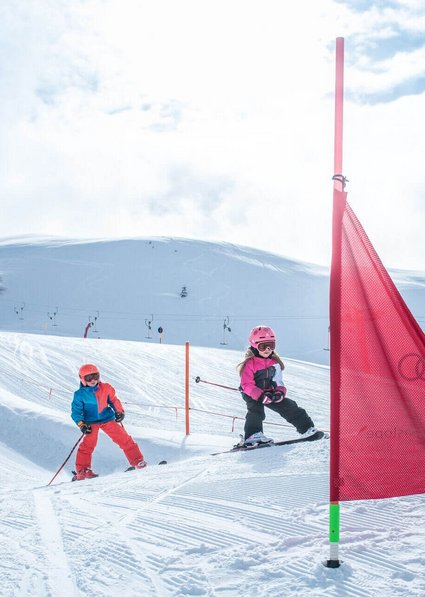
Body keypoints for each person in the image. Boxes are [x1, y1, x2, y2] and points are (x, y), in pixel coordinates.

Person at [238, 325, 324, 446]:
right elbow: (246, 384)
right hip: (251, 393)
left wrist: (279, 393)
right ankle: (253, 435)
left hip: (268, 392)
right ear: (254, 346)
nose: (267, 349)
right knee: (255, 410)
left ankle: (307, 429)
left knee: (289, 405)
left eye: (271, 345)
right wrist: (260, 395)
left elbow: (278, 381)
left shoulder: (274, 363)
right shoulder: (250, 364)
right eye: (263, 346)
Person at [71, 364, 147, 480]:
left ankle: (138, 461)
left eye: (95, 376)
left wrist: (119, 412)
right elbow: (76, 412)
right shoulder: (79, 395)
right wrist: (82, 425)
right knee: (88, 444)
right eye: (88, 378)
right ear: (82, 379)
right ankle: (83, 470)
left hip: (107, 418)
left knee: (124, 438)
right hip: (90, 422)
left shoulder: (106, 388)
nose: (93, 380)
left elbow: (114, 400)